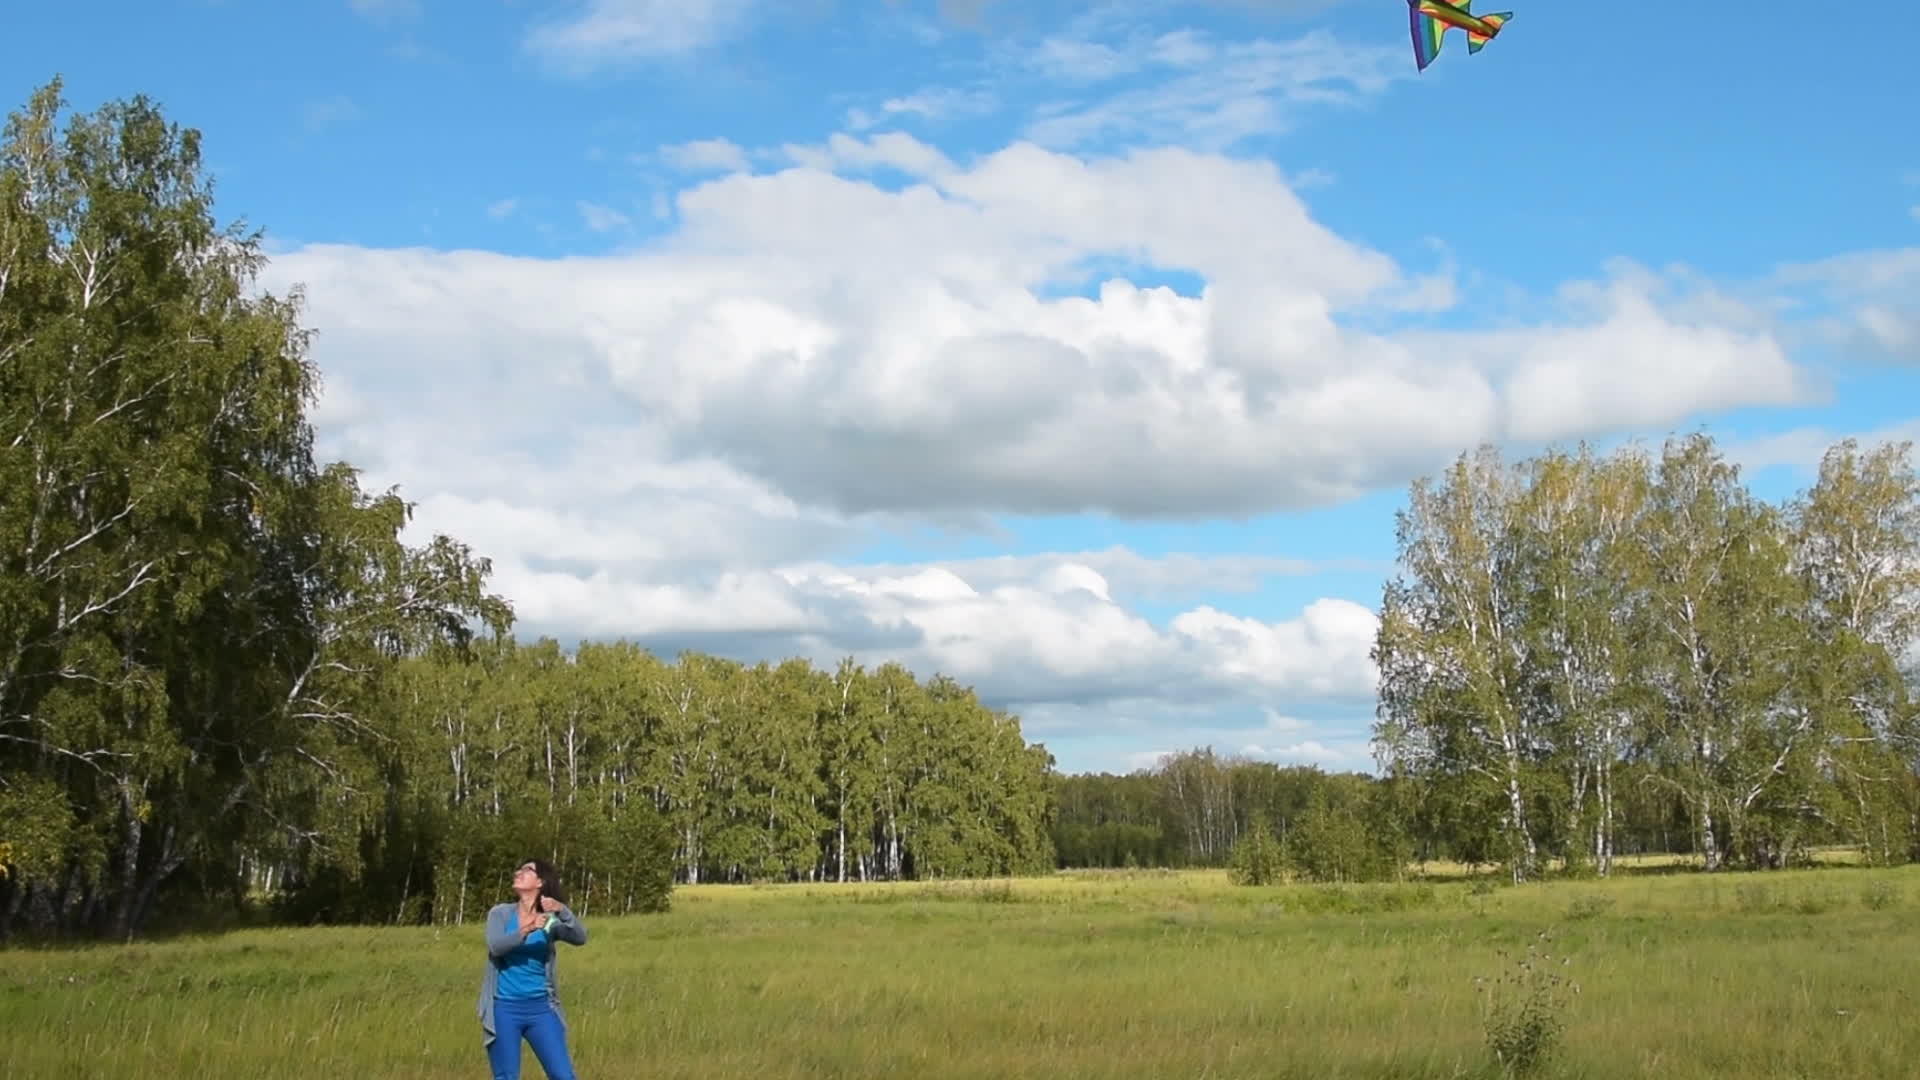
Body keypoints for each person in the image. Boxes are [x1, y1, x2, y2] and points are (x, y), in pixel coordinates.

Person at [478, 858, 589, 1080]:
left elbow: (580, 938)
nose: (518, 872)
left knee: (563, 1075)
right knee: (506, 1076)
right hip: (504, 1008)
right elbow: (496, 946)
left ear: (540, 882)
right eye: (518, 869)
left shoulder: (549, 921)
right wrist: (527, 928)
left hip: (541, 1008)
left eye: (526, 870)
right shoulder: (500, 914)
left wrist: (562, 909)